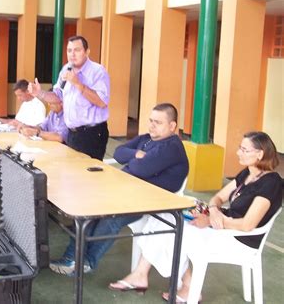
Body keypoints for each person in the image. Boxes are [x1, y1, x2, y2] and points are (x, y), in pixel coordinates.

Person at [108, 131, 282, 303]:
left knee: (174, 230)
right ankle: (146, 275)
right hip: (222, 223)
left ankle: (183, 283)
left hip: (238, 237)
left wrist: (212, 221)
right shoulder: (247, 174)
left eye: (244, 150)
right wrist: (213, 210)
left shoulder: (271, 183)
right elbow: (218, 198)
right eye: (240, 148)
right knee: (165, 216)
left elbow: (247, 225)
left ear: (260, 153)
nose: (238, 153)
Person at [49, 103, 189, 275]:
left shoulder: (171, 147)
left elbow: (140, 169)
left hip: (151, 201)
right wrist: (136, 155)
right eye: (151, 120)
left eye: (158, 122)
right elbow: (118, 152)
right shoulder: (147, 139)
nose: (152, 125)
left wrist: (136, 160)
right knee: (88, 205)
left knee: (110, 218)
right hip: (129, 190)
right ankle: (72, 258)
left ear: (172, 126)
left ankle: (86, 261)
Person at [28, 35, 110, 160]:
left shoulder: (98, 71)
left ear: (87, 52)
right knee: (71, 172)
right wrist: (39, 93)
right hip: (72, 132)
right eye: (69, 50)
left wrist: (78, 84)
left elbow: (102, 102)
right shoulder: (66, 69)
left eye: (77, 50)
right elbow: (57, 97)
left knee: (87, 174)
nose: (72, 54)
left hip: (92, 133)